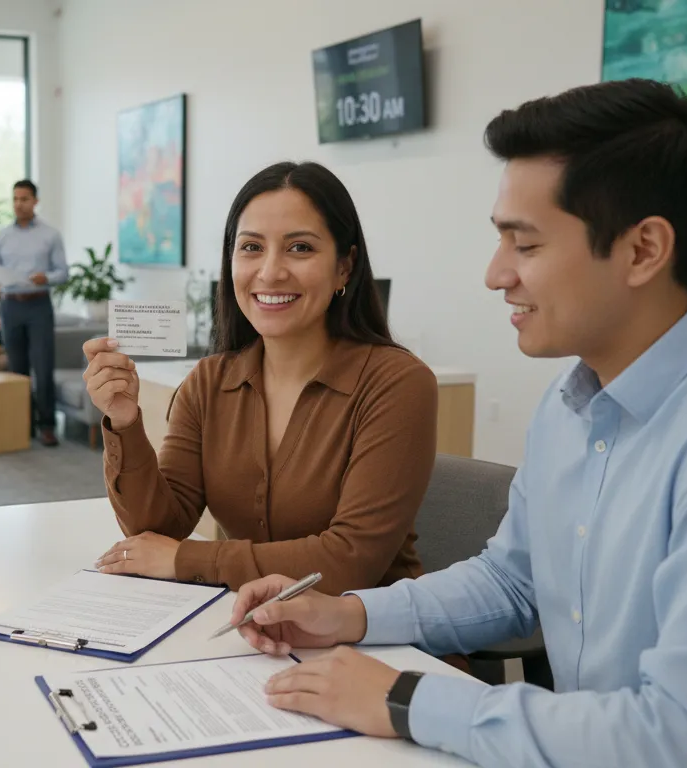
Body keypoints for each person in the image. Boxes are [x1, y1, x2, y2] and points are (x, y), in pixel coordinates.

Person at [229, 79, 687, 768]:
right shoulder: (571, 403)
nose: (494, 274)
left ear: (643, 250)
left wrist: (406, 700)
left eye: (525, 245)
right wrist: (346, 614)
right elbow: (512, 583)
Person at [87, 161, 438, 594]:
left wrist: (186, 559)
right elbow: (159, 530)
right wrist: (123, 420)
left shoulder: (397, 384)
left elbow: (350, 561)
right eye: (251, 247)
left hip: (371, 640)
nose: (270, 272)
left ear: (345, 267)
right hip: (252, 631)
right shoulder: (210, 381)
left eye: (300, 248)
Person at [0, 179, 67, 446]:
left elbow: (63, 272)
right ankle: (23, 424)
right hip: (11, 306)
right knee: (16, 369)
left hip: (38, 304)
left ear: (35, 201)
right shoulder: (2, 236)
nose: (19, 204)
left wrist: (48, 278)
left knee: (43, 366)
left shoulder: (50, 235)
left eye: (25, 199)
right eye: (15, 199)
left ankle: (47, 426)